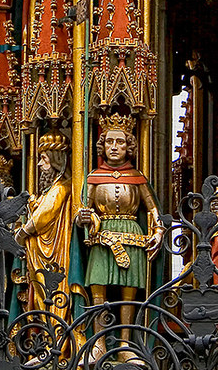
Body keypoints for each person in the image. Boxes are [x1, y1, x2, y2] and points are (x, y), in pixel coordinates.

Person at [75, 114, 164, 351]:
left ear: (129, 146)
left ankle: (125, 344)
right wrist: (83, 217)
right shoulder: (93, 177)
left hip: (131, 235)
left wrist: (158, 231)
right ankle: (99, 343)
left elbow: (153, 209)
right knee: (97, 287)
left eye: (121, 142)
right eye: (109, 142)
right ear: (102, 145)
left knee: (129, 293)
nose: (114, 147)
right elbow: (82, 208)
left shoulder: (137, 178)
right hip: (102, 237)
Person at [15, 131, 72, 320]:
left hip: (53, 254)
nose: (39, 164)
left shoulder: (61, 188)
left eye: (44, 159)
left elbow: (43, 217)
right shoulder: (51, 189)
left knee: (52, 299)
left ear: (56, 160)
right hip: (40, 254)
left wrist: (22, 233)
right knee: (42, 300)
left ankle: (56, 341)